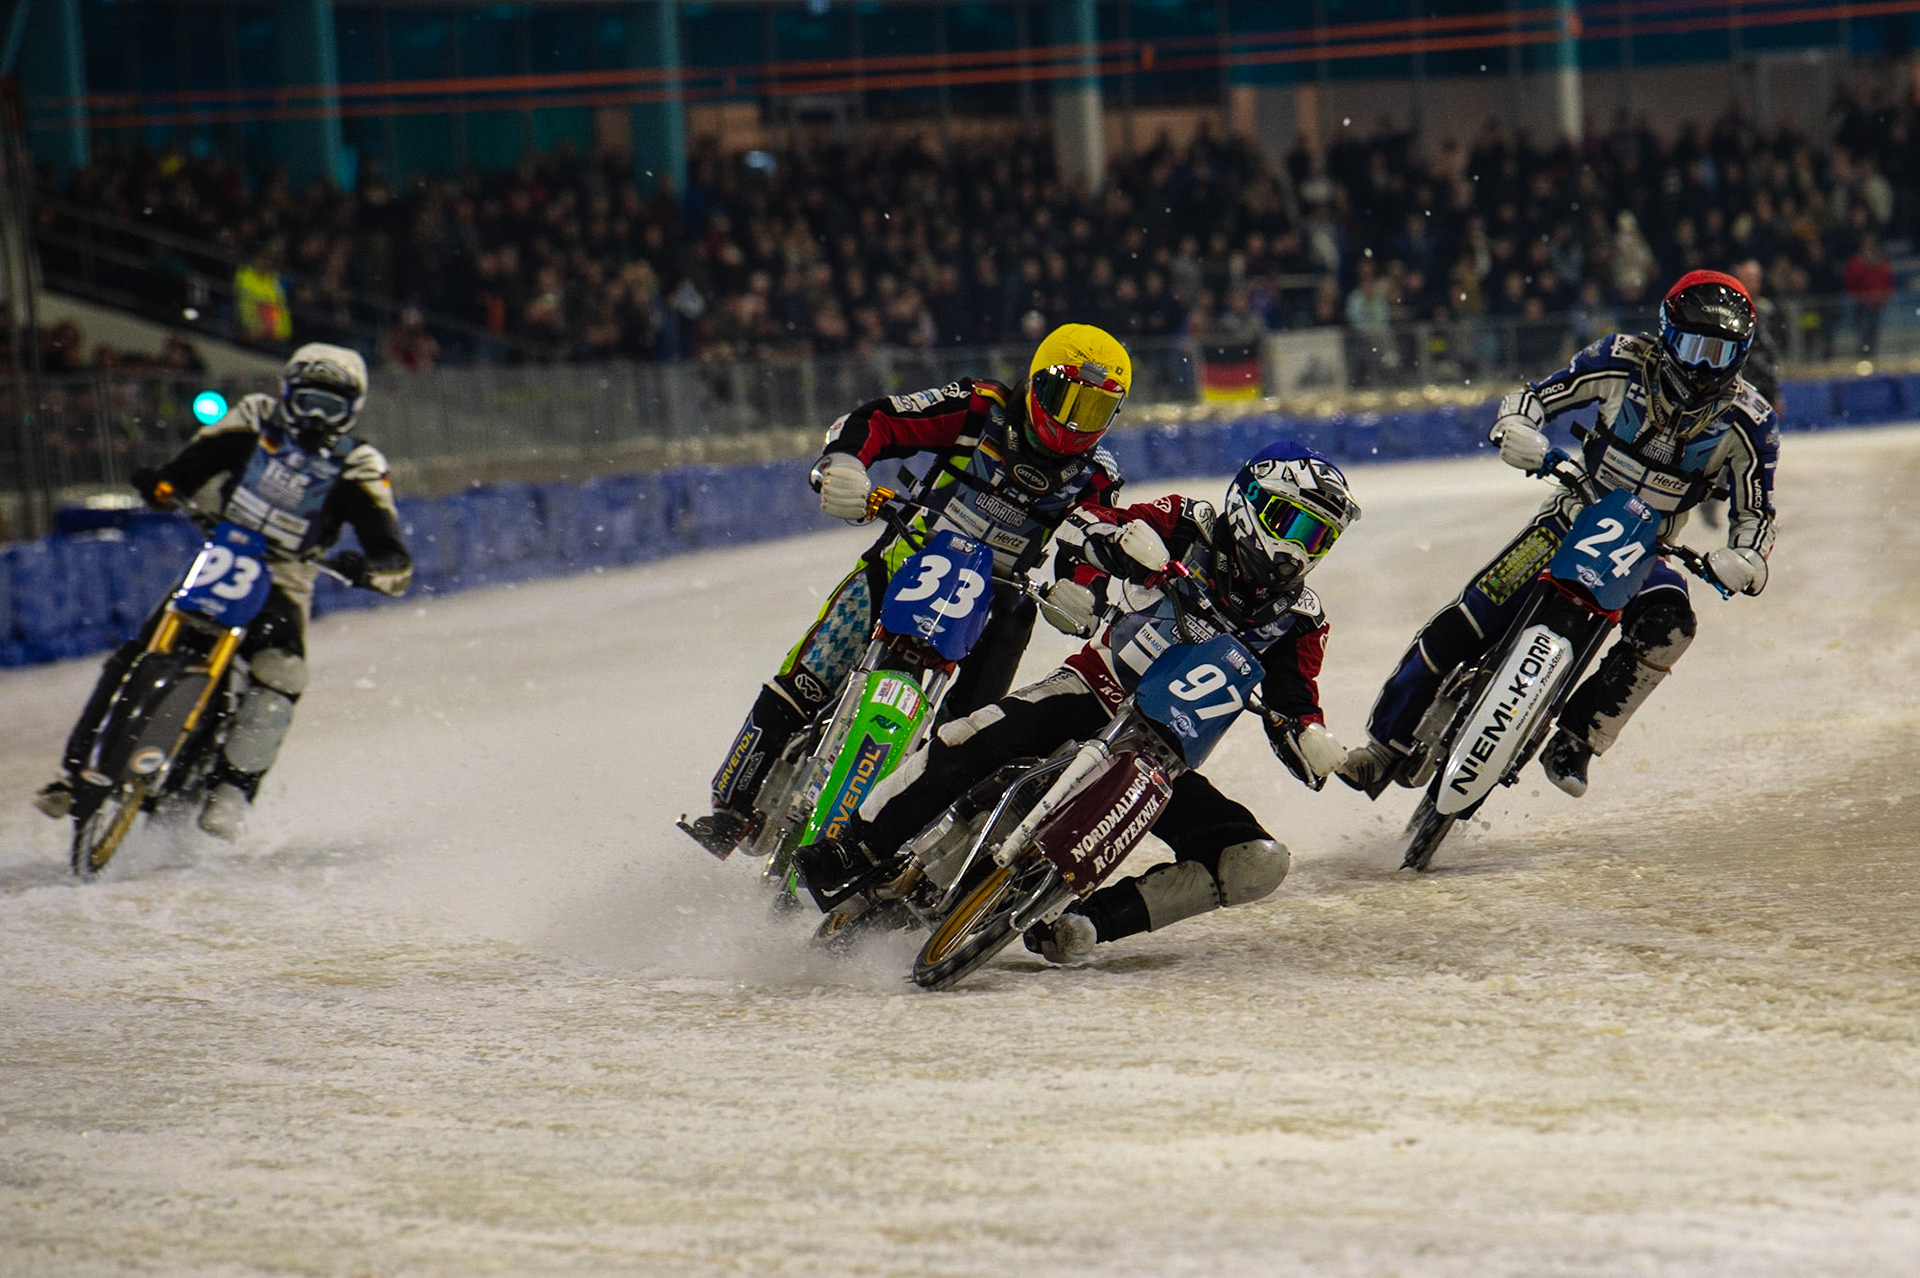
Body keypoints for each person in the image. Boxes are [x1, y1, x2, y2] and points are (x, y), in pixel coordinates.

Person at [794, 441, 1359, 964]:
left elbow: (1293, 700)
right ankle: (855, 849)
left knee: (1255, 858)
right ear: (1248, 501)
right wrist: (1114, 551)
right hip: (1090, 691)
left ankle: (1085, 922)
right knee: (969, 738)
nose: (1296, 550)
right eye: (1293, 524)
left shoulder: (1301, 618)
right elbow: (1085, 525)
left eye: (1317, 539)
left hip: (1159, 759)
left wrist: (1308, 736)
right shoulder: (1189, 523)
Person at [681, 324, 1134, 857]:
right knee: (808, 679)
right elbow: (879, 419)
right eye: (1067, 400)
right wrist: (846, 463)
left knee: (966, 739)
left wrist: (1082, 590)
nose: (1074, 423)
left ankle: (908, 850)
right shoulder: (978, 407)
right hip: (905, 563)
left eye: (1095, 410)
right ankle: (732, 808)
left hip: (996, 605)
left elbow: (1094, 541)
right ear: (1036, 385)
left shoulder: (1097, 476)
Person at [1340, 270, 1777, 801]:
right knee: (1465, 621)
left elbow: (1757, 510)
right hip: (1569, 517)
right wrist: (1518, 427)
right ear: (1666, 334)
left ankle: (1578, 740)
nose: (1702, 366)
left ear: (1742, 354)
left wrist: (1748, 557)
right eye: (1692, 347)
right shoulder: (1620, 358)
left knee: (1672, 624)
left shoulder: (1750, 421)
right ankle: (1383, 750)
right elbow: (1537, 397)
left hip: (1648, 552)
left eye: (1719, 353)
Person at [35, 343, 413, 839]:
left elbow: (391, 553)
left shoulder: (360, 463)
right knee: (136, 650)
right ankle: (74, 770)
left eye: (330, 407)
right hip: (223, 552)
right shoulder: (255, 418)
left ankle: (233, 790)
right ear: (287, 394)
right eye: (307, 402)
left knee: (280, 670)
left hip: (286, 575)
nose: (316, 418)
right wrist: (164, 485)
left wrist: (370, 567)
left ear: (352, 411)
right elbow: (197, 461)